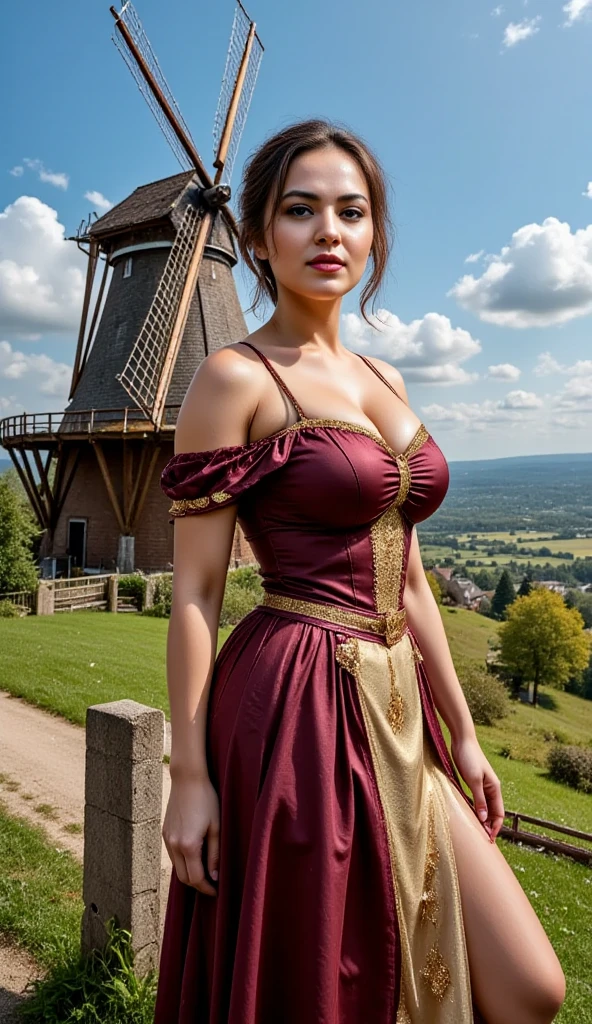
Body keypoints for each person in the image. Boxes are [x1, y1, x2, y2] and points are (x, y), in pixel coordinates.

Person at [153, 119, 565, 1024]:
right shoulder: (235, 378)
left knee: (532, 988)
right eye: (301, 210)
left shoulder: (387, 376)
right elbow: (195, 594)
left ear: (374, 233)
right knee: (327, 977)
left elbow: (411, 580)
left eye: (352, 210)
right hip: (296, 698)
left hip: (400, 700)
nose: (328, 231)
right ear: (259, 236)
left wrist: (462, 729)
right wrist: (191, 777)